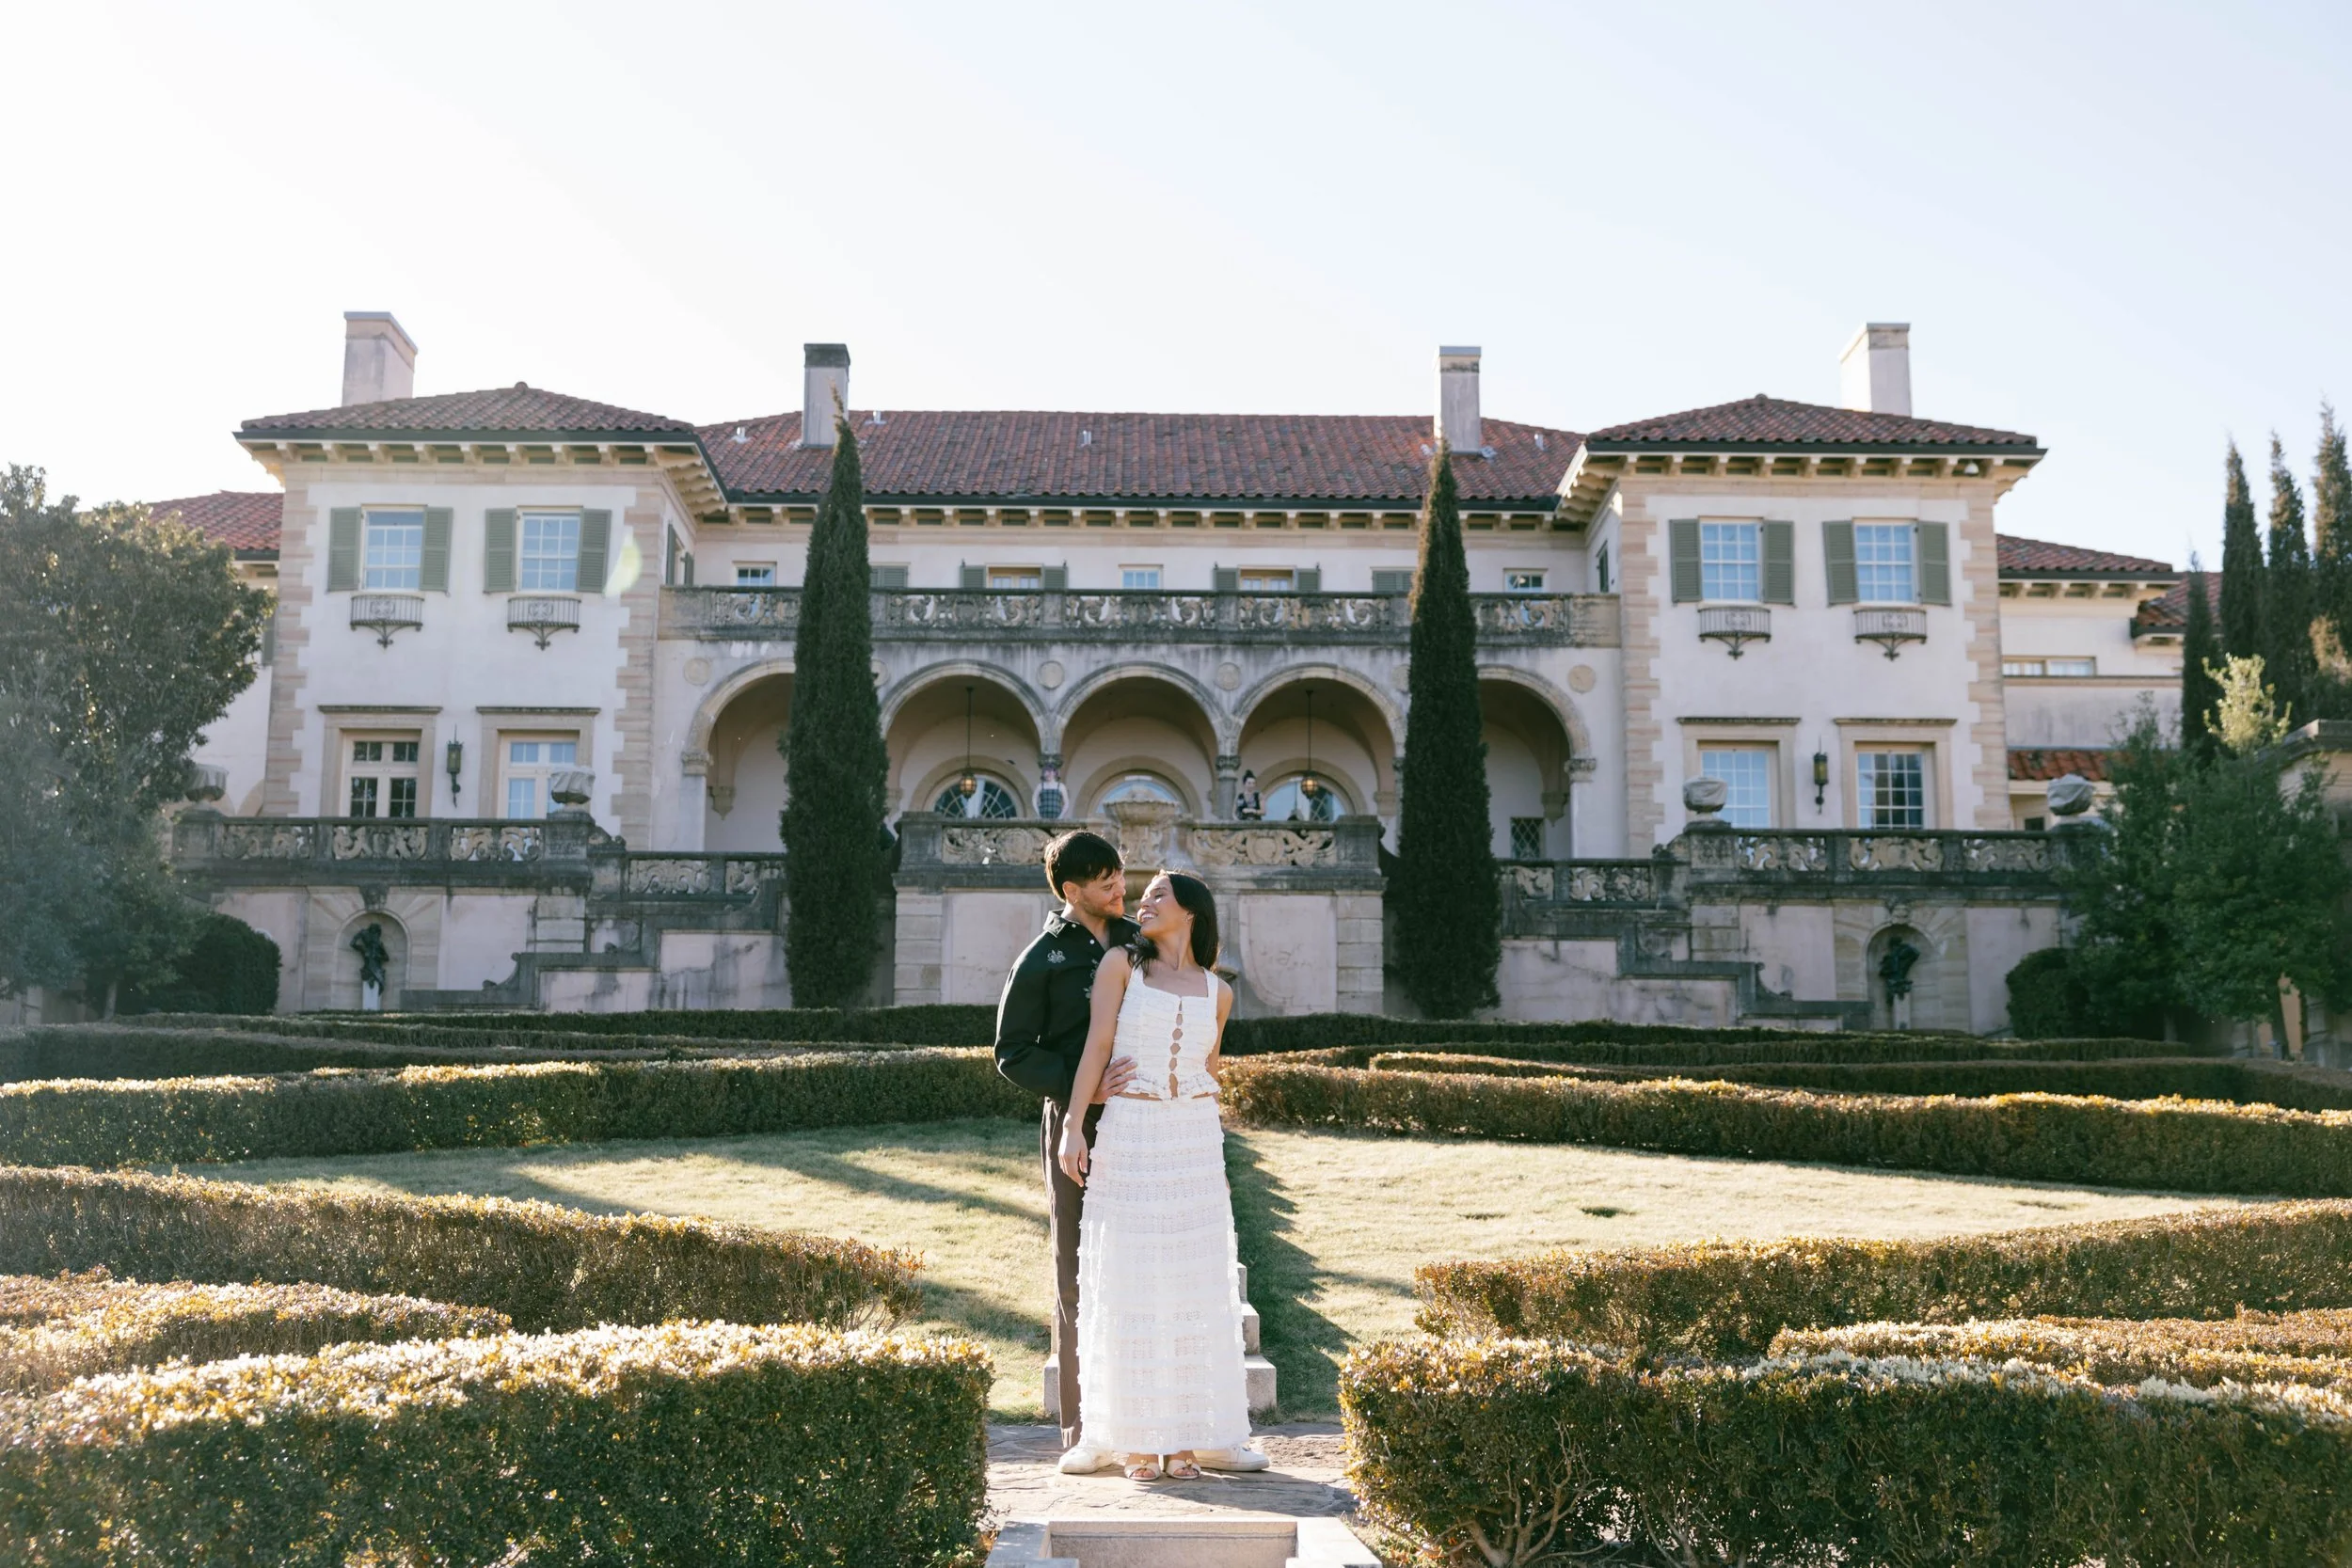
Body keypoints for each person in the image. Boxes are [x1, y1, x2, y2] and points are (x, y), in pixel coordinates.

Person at [1057, 870, 1262, 1481]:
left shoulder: (1218, 993)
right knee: (1131, 1278)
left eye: (1156, 894)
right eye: (1141, 893)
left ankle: (1184, 1442)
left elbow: (1209, 1068)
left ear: (1192, 912)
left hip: (1193, 1143)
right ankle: (1135, 1439)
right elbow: (1097, 1045)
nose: (1142, 901)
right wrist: (1075, 1122)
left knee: (1192, 1283)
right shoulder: (1121, 964)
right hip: (1131, 1133)